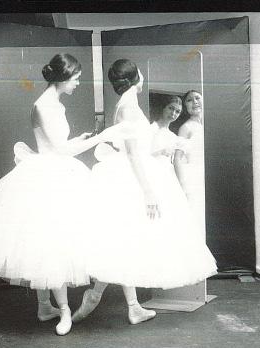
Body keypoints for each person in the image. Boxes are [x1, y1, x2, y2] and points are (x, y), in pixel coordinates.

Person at [0, 52, 102, 333]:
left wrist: (77, 139)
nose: (78, 83)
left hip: (56, 169)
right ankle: (64, 311)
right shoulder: (43, 105)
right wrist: (100, 138)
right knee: (51, 242)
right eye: (76, 78)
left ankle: (44, 307)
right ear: (63, 77)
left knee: (47, 241)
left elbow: (58, 143)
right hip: (48, 175)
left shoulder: (55, 104)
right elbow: (60, 150)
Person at [74, 60, 216, 327]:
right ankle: (103, 298)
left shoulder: (129, 104)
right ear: (135, 77)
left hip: (137, 172)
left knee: (128, 240)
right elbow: (131, 154)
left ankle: (125, 304)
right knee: (126, 239)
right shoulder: (128, 106)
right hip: (132, 177)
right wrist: (148, 191)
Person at [172, 90, 206, 232]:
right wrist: (183, 187)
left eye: (197, 98)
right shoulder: (186, 128)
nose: (195, 102)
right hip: (194, 179)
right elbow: (177, 159)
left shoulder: (209, 124)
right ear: (185, 107)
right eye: (189, 100)